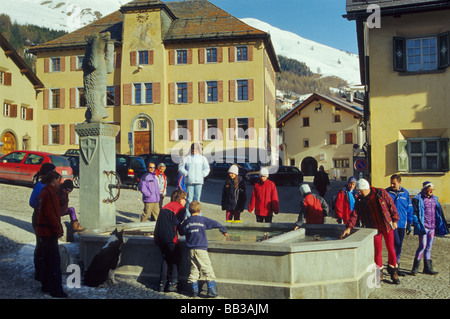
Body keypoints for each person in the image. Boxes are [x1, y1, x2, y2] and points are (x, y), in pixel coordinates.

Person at [341, 178, 400, 284]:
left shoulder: (381, 193)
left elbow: (392, 206)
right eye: (358, 191)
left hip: (386, 225)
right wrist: (349, 227)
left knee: (391, 248)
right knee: (377, 250)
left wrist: (395, 220)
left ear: (366, 188)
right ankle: (379, 273)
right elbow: (355, 213)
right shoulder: (360, 199)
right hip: (373, 227)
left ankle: (393, 271)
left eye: (360, 191)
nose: (358, 192)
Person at [179, 201, 228, 298]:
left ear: (189, 211)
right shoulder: (202, 220)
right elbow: (215, 223)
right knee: (207, 268)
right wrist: (223, 230)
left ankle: (194, 291)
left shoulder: (187, 222)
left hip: (191, 250)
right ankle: (211, 291)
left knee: (194, 269)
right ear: (200, 210)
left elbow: (181, 232)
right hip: (201, 248)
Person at [34, 171, 68, 298]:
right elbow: (52, 214)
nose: (60, 183)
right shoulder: (50, 193)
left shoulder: (43, 192)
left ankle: (46, 285)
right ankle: (56, 289)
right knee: (54, 261)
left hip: (42, 232)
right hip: (48, 232)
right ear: (54, 180)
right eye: (59, 180)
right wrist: (58, 230)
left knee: (46, 260)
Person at [410, 182, 449, 276]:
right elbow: (415, 213)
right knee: (422, 246)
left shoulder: (435, 199)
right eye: (430, 189)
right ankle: (415, 268)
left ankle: (427, 268)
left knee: (429, 247)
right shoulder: (418, 199)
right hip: (424, 227)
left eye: (433, 189)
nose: (432, 191)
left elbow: (439, 214)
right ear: (425, 189)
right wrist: (417, 224)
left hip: (432, 227)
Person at [153, 189, 187, 292]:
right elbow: (178, 224)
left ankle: (162, 284)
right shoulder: (181, 208)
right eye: (184, 199)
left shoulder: (165, 207)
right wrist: (184, 232)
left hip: (159, 237)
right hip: (170, 237)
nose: (185, 201)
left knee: (165, 259)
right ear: (180, 199)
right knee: (176, 259)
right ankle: (173, 284)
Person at [29, 163, 56, 283]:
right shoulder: (40, 186)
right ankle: (39, 273)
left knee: (44, 246)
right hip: (39, 218)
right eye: (54, 171)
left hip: (44, 218)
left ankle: (43, 272)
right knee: (40, 246)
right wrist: (43, 207)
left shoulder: (49, 186)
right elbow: (32, 202)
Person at [385, 174, 413, 275]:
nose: (392, 185)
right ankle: (392, 264)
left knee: (399, 244)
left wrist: (409, 223)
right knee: (394, 243)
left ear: (399, 183)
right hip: (391, 223)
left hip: (402, 223)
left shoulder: (405, 193)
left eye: (394, 183)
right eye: (391, 183)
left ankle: (395, 264)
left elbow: (409, 208)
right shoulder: (387, 192)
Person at [178, 143, 210, 215]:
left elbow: (207, 168)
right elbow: (180, 167)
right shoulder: (187, 158)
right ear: (191, 149)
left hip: (199, 182)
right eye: (193, 149)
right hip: (189, 181)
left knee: (197, 199)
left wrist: (202, 175)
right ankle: (189, 215)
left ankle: (198, 214)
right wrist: (187, 174)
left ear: (198, 150)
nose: (194, 151)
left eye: (196, 149)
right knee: (189, 199)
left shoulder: (202, 158)